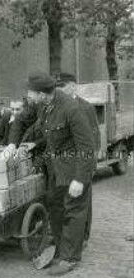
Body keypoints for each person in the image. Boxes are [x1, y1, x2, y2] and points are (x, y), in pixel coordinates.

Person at [18, 73, 96, 276]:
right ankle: (62, 251)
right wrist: (26, 144)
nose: (29, 96)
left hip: (74, 170)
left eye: (31, 93)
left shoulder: (72, 108)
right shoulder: (46, 106)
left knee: (73, 212)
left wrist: (80, 179)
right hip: (56, 169)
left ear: (43, 94)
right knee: (55, 209)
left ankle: (70, 258)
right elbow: (44, 133)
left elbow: (87, 146)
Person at [56, 72, 100, 246]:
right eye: (57, 86)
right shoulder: (58, 106)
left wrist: (91, 164)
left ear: (73, 86)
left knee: (84, 202)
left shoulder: (86, 107)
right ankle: (70, 235)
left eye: (63, 86)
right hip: (66, 164)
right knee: (68, 202)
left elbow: (94, 137)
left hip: (82, 162)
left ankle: (84, 236)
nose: (59, 89)